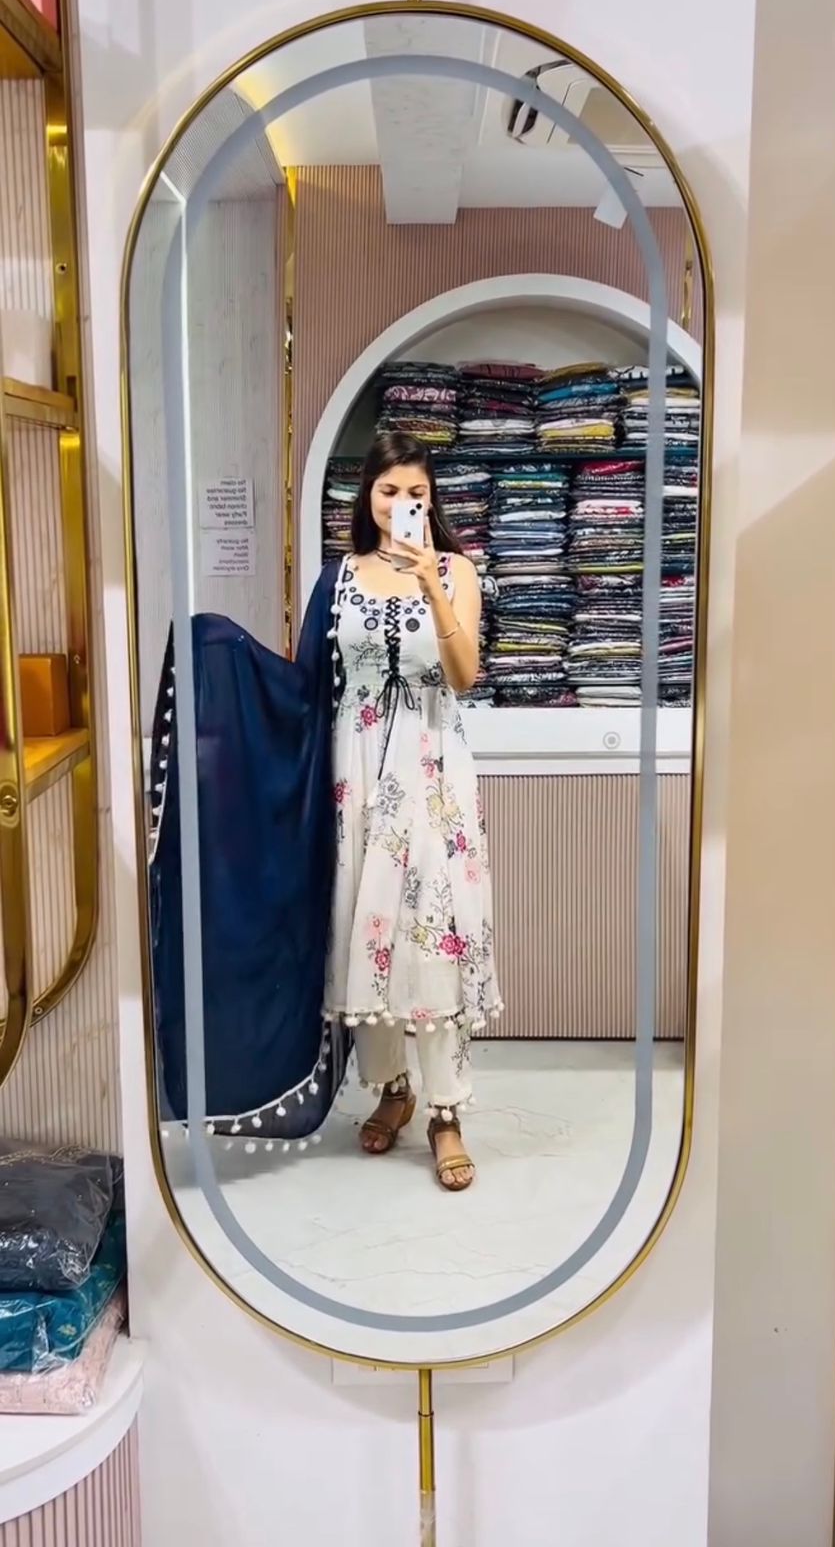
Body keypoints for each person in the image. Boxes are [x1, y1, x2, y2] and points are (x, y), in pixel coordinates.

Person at [318, 430, 502, 1190]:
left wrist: (431, 583)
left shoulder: (456, 571)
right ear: (368, 494)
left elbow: (464, 676)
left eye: (415, 493)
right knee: (370, 922)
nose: (400, 502)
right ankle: (393, 1090)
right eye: (388, 489)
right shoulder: (339, 577)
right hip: (356, 771)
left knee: (434, 927)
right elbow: (310, 679)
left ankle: (445, 1110)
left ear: (432, 500)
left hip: (432, 770)